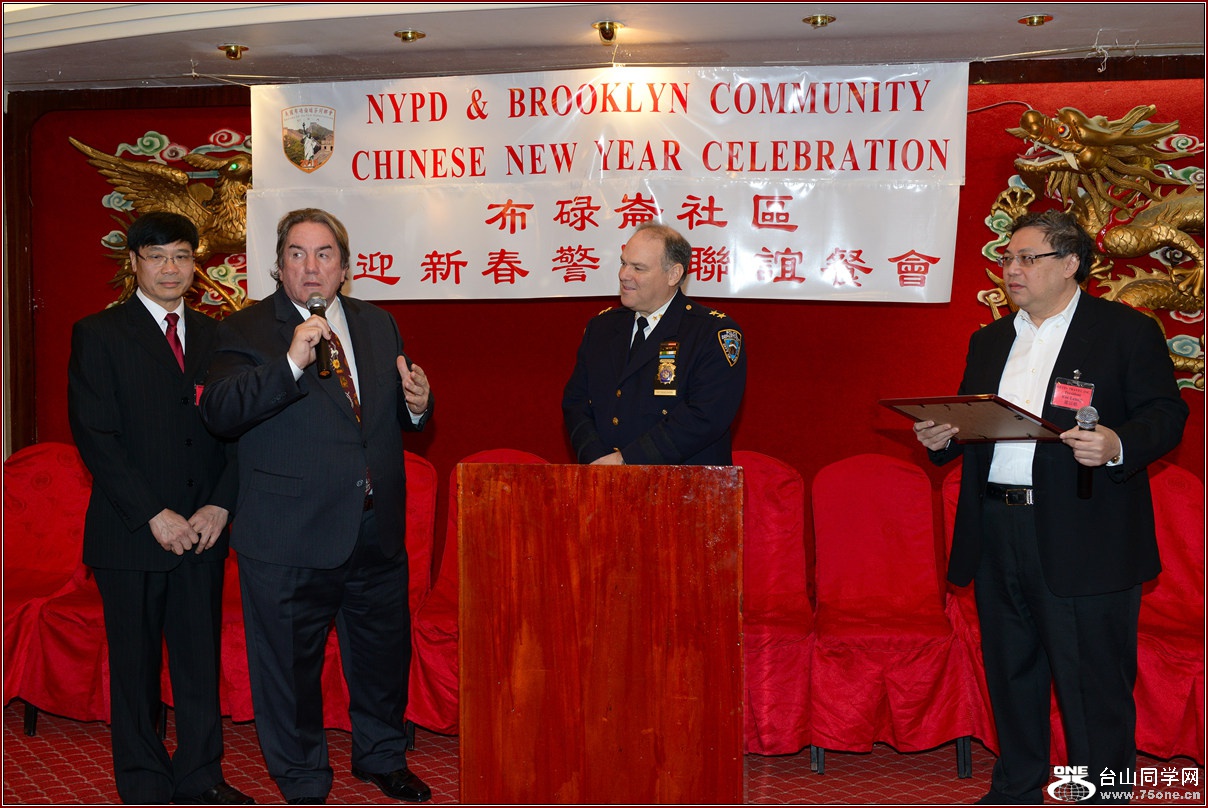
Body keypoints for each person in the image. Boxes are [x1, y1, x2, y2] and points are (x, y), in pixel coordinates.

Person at [913, 210, 1188, 804]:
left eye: (1027, 258)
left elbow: (1167, 414)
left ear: (1070, 264)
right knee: (1012, 672)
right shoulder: (990, 340)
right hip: (997, 526)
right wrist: (941, 439)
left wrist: (1117, 444)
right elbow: (974, 422)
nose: (1011, 269)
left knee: (1093, 685)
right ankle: (1016, 789)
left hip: (1086, 532)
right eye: (1007, 258)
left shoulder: (1124, 331)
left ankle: (1103, 795)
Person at [198, 208, 433, 805]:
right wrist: (290, 364)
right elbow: (220, 412)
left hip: (374, 529)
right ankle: (303, 779)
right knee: (290, 671)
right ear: (278, 266)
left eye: (324, 254)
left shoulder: (377, 324)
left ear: (344, 267)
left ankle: (381, 757)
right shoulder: (247, 329)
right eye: (296, 254)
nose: (310, 267)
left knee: (381, 658)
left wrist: (418, 405)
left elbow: (382, 418)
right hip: (289, 534)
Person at [67, 211, 252, 805]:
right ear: (134, 264)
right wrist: (154, 514)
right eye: (156, 256)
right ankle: (144, 781)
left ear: (195, 264)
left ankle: (201, 776)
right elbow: (96, 436)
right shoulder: (99, 333)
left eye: (181, 256)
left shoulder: (220, 336)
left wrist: (221, 505)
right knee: (135, 669)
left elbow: (242, 431)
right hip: (132, 531)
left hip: (203, 529)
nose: (170, 268)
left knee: (199, 664)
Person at [562, 221, 746, 465]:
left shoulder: (711, 333)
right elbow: (576, 402)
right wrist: (597, 460)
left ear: (673, 274)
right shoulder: (601, 328)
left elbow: (704, 416)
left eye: (638, 268)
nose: (624, 275)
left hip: (685, 483)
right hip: (603, 477)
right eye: (623, 263)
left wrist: (626, 460)